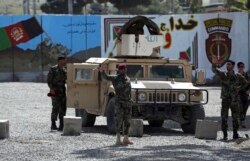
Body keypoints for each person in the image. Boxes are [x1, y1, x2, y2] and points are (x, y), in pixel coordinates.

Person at [212, 60, 249, 140]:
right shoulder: (223, 74)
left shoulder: (238, 76)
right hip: (225, 100)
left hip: (235, 100)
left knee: (236, 118)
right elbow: (214, 70)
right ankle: (225, 135)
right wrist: (214, 64)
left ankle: (235, 134)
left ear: (232, 66)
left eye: (229, 65)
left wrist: (239, 89)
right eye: (226, 65)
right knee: (224, 118)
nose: (227, 66)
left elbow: (246, 83)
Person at [99, 63, 133, 145]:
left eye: (123, 69)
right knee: (118, 120)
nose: (122, 70)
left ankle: (126, 138)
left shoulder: (128, 79)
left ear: (126, 69)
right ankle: (118, 139)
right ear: (119, 70)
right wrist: (102, 72)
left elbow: (129, 91)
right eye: (121, 69)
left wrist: (131, 99)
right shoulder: (115, 78)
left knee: (127, 121)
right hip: (119, 103)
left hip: (127, 103)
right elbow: (106, 77)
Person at [47, 56, 67, 131]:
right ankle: (53, 124)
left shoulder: (65, 69)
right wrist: (51, 89)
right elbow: (49, 81)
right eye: (64, 60)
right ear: (59, 61)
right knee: (55, 107)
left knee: (63, 108)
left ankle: (62, 124)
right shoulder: (53, 69)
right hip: (55, 90)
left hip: (62, 90)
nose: (65, 61)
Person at [237, 62, 250, 128]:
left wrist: (248, 90)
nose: (242, 68)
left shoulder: (246, 75)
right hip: (238, 94)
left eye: (243, 66)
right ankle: (242, 122)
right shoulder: (236, 75)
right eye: (240, 67)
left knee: (245, 108)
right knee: (240, 108)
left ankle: (242, 120)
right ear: (238, 67)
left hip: (245, 94)